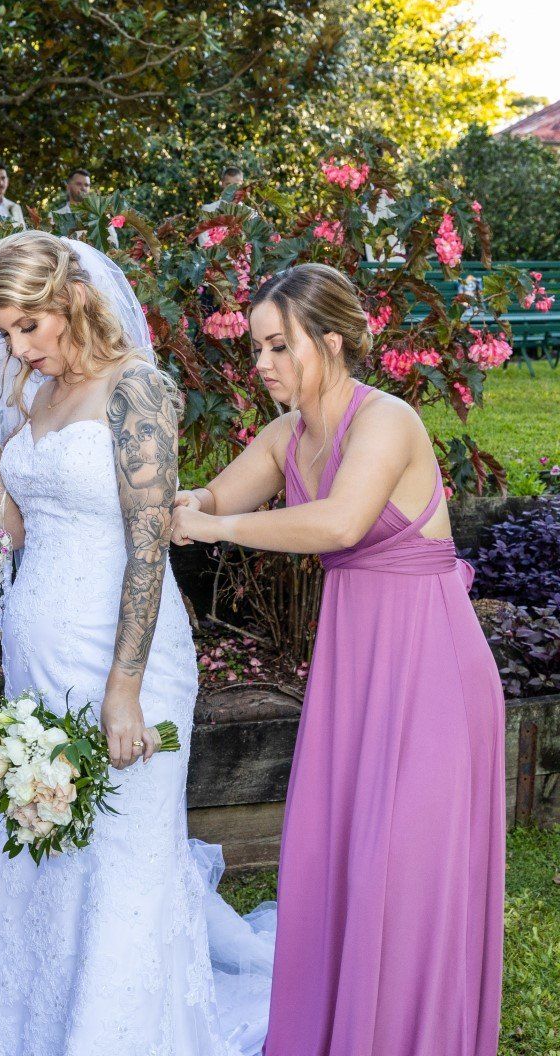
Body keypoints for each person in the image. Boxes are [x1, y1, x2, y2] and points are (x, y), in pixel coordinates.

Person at [0, 230, 273, 1056]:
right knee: (47, 847)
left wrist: (122, 691)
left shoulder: (138, 388)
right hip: (41, 663)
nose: (19, 347)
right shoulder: (34, 390)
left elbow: (149, 549)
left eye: (29, 326)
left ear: (71, 301)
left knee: (122, 858)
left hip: (124, 660)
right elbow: (11, 527)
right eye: (5, 331)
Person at [172, 263, 505, 1056]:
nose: (262, 364)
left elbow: (340, 524)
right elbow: (219, 496)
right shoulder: (287, 435)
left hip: (430, 668)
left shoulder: (387, 421)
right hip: (355, 667)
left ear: (328, 342)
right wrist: (188, 504)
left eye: (277, 346)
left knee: (409, 871)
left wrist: (216, 529)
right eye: (256, 348)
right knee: (345, 860)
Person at [54, 167, 118, 247]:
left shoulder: (100, 215)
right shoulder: (55, 216)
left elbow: (114, 244)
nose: (83, 188)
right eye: (79, 184)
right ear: (68, 187)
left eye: (86, 185)